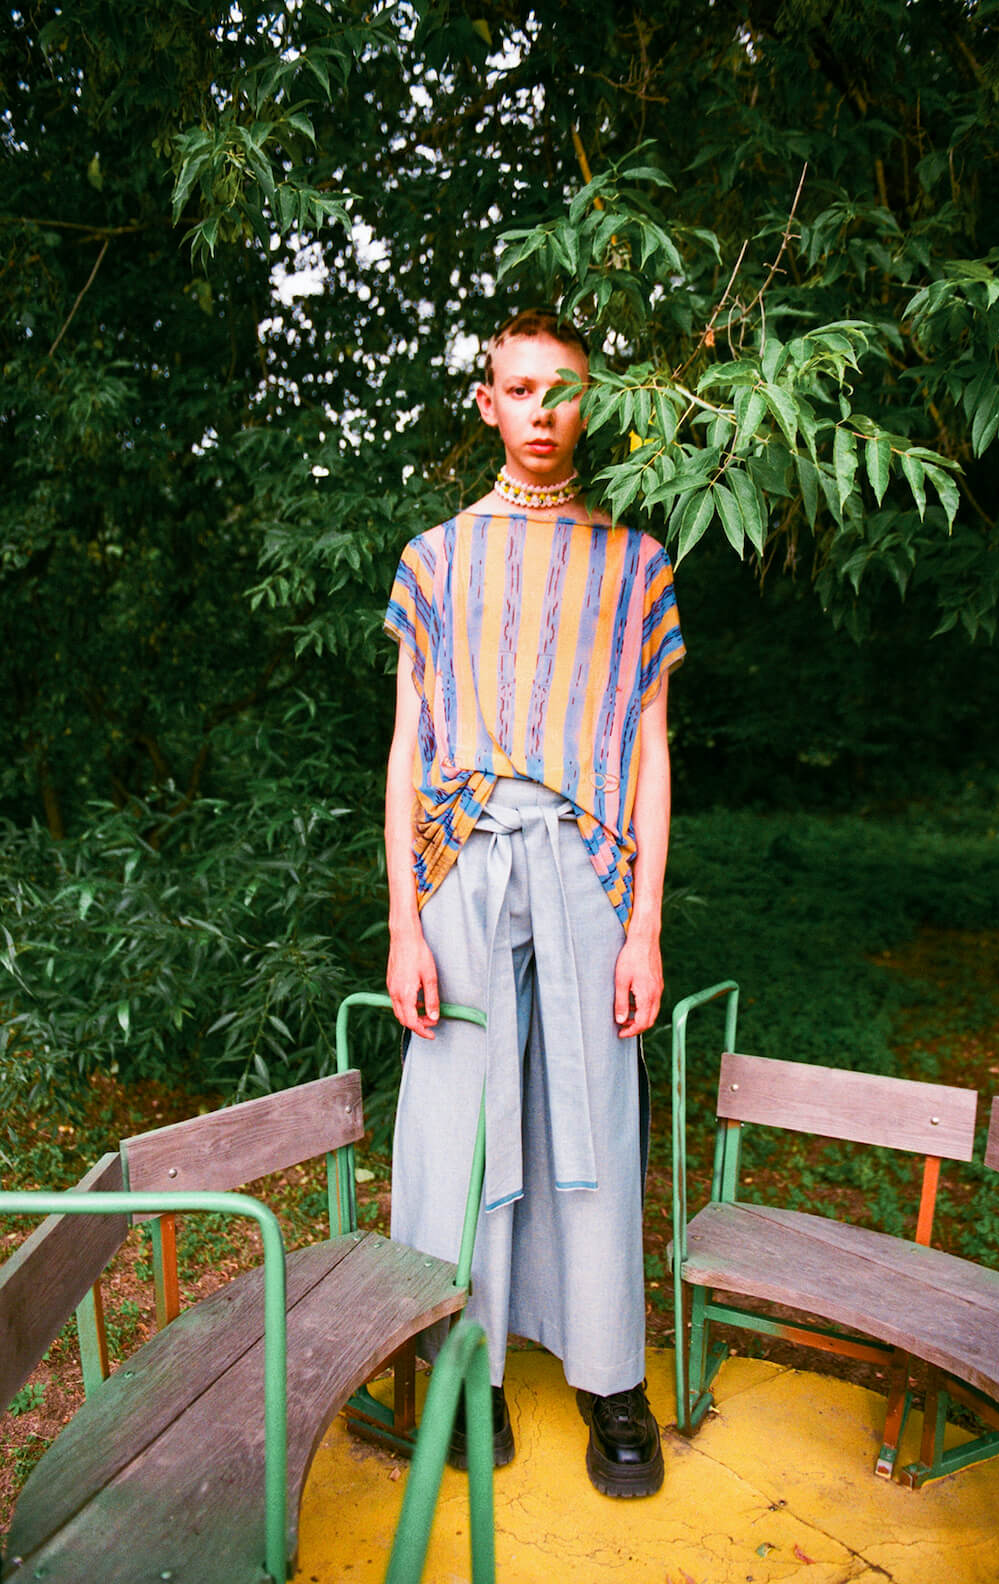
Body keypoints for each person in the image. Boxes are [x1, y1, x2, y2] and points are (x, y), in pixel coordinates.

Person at [382, 307, 684, 1498]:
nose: (542, 413)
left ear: (588, 401)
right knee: (459, 1117)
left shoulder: (637, 561)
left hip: (588, 868)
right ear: (487, 402)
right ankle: (472, 1370)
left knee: (595, 1114)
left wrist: (646, 926)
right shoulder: (433, 558)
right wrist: (403, 923)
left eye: (563, 390)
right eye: (520, 389)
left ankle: (611, 1379)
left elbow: (651, 749)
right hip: (460, 861)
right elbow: (406, 748)